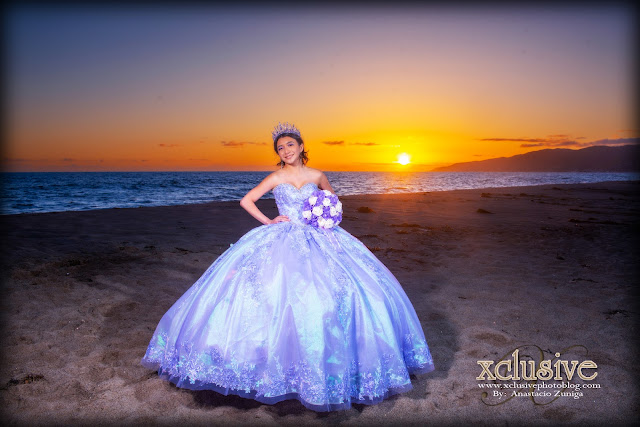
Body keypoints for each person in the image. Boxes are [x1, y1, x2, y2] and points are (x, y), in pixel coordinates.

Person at [141, 122, 434, 412]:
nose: (285, 150)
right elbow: (247, 200)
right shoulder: (276, 177)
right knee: (270, 294)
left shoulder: (318, 174)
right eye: (280, 148)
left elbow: (334, 203)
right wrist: (270, 221)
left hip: (320, 237)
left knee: (343, 291)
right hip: (283, 236)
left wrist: (325, 218)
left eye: (290, 145)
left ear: (301, 146)